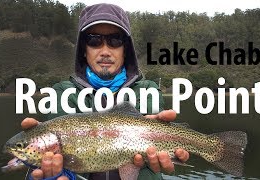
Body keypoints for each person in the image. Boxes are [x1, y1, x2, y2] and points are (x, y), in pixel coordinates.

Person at [21, 3, 189, 180]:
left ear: (126, 50)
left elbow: (151, 154)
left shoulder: (148, 90)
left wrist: (162, 138)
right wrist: (53, 173)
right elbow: (60, 158)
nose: (105, 51)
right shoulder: (63, 93)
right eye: (94, 40)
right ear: (83, 50)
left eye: (115, 40)